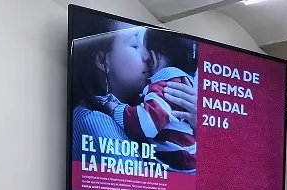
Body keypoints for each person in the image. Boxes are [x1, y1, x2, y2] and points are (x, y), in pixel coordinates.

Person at [70, 19, 197, 163]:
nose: (148, 56)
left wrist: (196, 126)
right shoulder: (94, 122)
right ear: (102, 60)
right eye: (135, 45)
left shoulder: (148, 104)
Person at [98, 28, 198, 172]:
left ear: (155, 57)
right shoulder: (178, 80)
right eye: (134, 45)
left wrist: (114, 109)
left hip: (178, 173)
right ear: (102, 60)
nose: (144, 57)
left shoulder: (167, 83)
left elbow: (147, 120)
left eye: (141, 47)